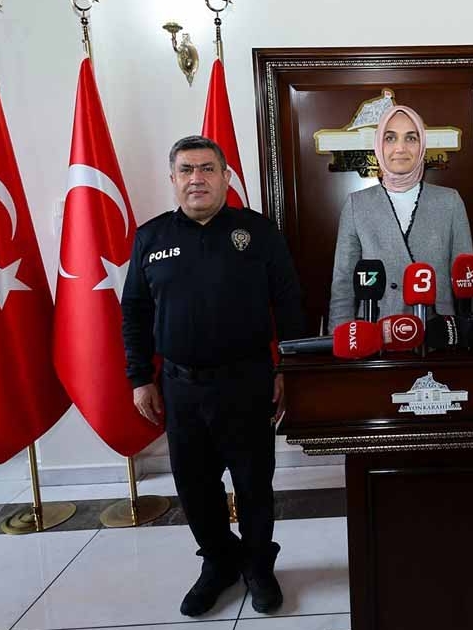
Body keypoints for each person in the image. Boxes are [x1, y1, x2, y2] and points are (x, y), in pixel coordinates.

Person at [121, 135, 305, 616]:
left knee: (253, 483)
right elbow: (134, 312)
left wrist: (288, 368)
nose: (196, 178)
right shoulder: (151, 238)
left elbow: (289, 304)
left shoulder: (258, 232)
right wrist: (140, 377)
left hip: (247, 382)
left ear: (226, 177)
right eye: (186, 170)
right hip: (180, 387)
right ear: (173, 179)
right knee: (194, 486)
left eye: (207, 169)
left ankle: (258, 565)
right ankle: (220, 562)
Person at [328, 104, 473, 327]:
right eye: (390, 138)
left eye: (411, 138)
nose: (400, 148)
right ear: (379, 145)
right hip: (377, 330)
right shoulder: (356, 205)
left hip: (439, 331)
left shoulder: (450, 202)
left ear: (422, 145)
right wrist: (340, 337)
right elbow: (343, 284)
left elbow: (468, 278)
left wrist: (471, 333)